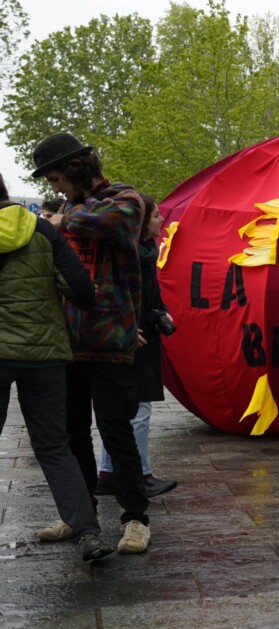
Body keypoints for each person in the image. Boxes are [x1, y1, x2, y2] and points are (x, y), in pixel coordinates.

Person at [32, 132, 151, 554]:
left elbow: (118, 226)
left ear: (75, 169)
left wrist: (65, 221)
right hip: (68, 342)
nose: (55, 187)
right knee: (72, 434)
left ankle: (135, 519)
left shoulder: (124, 198)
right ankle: (78, 516)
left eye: (56, 177)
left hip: (109, 340)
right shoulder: (65, 208)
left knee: (116, 432)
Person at [0, 173, 113, 561]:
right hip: (45, 355)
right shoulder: (42, 231)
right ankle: (88, 533)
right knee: (53, 447)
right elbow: (81, 289)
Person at [96, 195, 177, 498]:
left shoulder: (146, 252)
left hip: (140, 332)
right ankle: (140, 474)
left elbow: (148, 294)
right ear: (143, 224)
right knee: (138, 408)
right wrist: (128, 326)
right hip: (134, 338)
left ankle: (108, 472)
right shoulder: (131, 256)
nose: (161, 221)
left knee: (122, 409)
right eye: (157, 216)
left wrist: (161, 309)